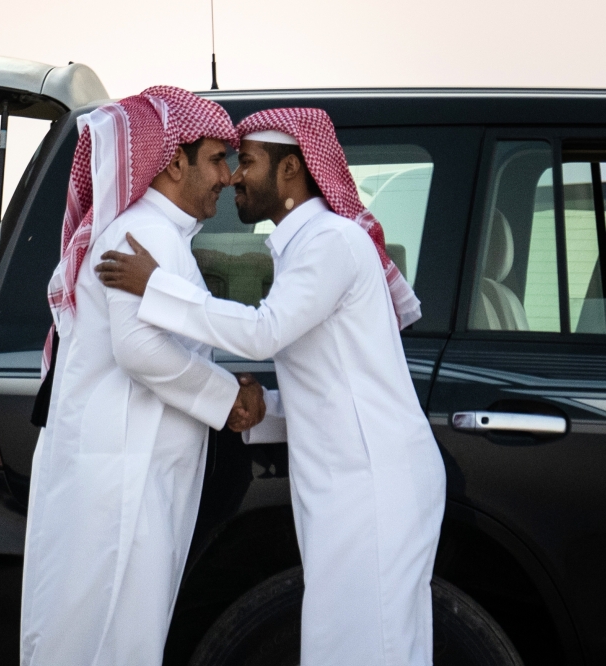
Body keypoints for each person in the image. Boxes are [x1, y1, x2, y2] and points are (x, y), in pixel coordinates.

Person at [95, 107, 446, 666]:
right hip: (347, 484)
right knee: (346, 647)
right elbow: (329, 387)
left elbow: (263, 333)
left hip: (375, 484)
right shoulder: (303, 248)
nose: (234, 176)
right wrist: (249, 408)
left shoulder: (331, 242)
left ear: (290, 172)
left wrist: (154, 286)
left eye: (249, 162)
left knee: (371, 649)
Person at [20, 86, 266, 666]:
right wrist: (226, 396)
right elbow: (140, 351)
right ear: (174, 160)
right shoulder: (144, 235)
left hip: (135, 474)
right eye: (215, 159)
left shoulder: (165, 236)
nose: (228, 177)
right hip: (120, 484)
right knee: (104, 637)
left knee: (120, 635)